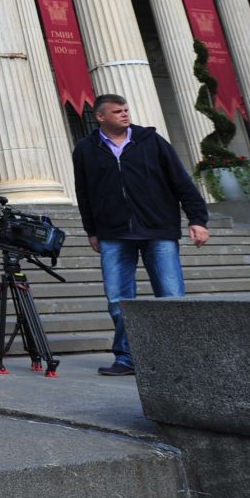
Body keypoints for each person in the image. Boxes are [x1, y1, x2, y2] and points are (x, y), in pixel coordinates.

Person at [71, 93, 210, 377]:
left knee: (171, 296)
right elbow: (84, 194)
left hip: (158, 230)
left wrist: (197, 219)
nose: (124, 114)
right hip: (114, 234)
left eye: (126, 110)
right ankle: (127, 357)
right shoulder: (86, 149)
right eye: (117, 111)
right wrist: (92, 231)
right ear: (100, 117)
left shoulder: (152, 141)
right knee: (118, 300)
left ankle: (178, 357)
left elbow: (181, 181)